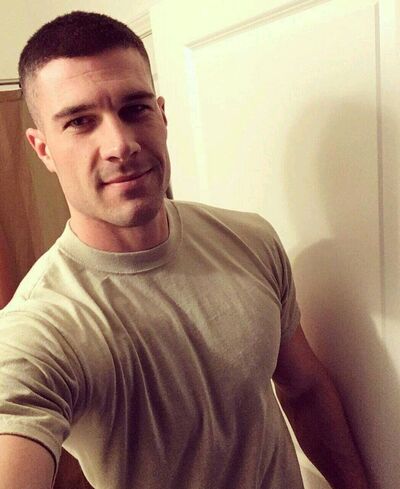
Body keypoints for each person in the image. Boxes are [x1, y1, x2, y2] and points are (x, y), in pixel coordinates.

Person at [0, 11, 369, 489]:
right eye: (80, 121)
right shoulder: (39, 327)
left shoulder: (251, 239)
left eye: (135, 109)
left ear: (162, 115)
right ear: (43, 148)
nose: (120, 144)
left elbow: (305, 389)